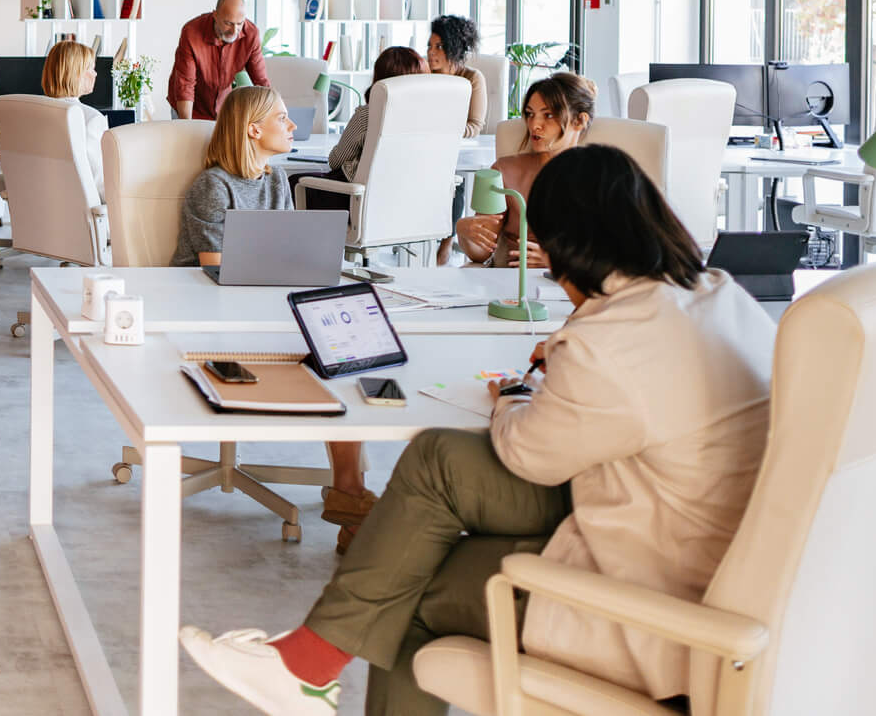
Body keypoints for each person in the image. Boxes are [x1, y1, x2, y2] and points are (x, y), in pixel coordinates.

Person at [180, 145, 775, 716]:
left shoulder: (614, 341)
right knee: (435, 463)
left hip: (651, 602)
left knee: (406, 577)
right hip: (704, 560)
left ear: (568, 246)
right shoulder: (722, 296)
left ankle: (307, 666)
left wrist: (518, 391)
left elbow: (527, 455)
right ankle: (305, 664)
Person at [179, 86, 372, 551]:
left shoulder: (275, 178)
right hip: (213, 309)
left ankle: (349, 494)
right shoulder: (213, 186)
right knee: (326, 348)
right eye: (283, 119)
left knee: (347, 348)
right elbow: (215, 266)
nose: (292, 127)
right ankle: (350, 496)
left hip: (269, 300)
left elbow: (286, 253)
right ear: (253, 128)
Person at [451, 72, 596, 268]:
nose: (535, 125)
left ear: (579, 121)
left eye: (548, 115)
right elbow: (481, 253)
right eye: (530, 114)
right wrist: (463, 231)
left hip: (571, 290)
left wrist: (555, 261)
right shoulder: (504, 171)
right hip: (510, 287)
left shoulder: (600, 176)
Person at [322, 46, 427, 180]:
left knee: (295, 182)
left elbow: (336, 161)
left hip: (362, 196)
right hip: (415, 195)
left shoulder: (368, 115)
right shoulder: (431, 119)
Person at [168, 0, 270, 121]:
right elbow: (185, 86)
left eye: (239, 24)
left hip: (221, 109)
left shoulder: (251, 34)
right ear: (215, 15)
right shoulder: (191, 32)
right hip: (189, 107)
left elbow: (260, 82)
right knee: (187, 139)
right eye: (228, 23)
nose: (234, 31)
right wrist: (187, 126)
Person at [41, 38, 108, 195]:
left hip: (39, 210)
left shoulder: (31, 113)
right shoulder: (91, 119)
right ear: (76, 74)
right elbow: (99, 185)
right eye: (90, 68)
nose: (95, 73)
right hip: (80, 214)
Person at [425, 14, 488, 138]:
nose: (431, 52)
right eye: (429, 46)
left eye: (439, 47)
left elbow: (475, 126)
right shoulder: (423, 75)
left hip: (462, 145)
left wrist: (443, 133)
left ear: (455, 49)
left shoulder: (473, 78)